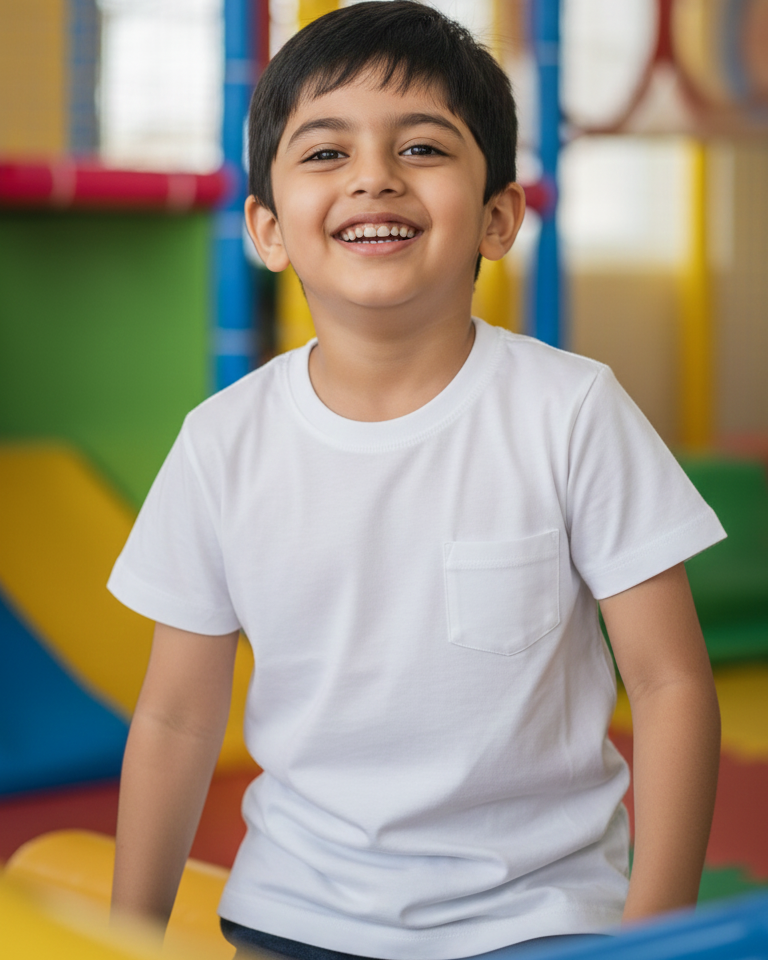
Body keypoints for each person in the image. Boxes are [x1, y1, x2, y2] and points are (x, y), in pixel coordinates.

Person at [108, 4, 725, 959]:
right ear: (267, 230)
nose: (373, 177)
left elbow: (671, 681)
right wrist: (127, 940)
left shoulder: (571, 411)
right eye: (324, 153)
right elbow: (177, 716)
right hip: (295, 916)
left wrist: (653, 939)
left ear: (497, 217)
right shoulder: (220, 444)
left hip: (542, 919)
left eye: (424, 147)